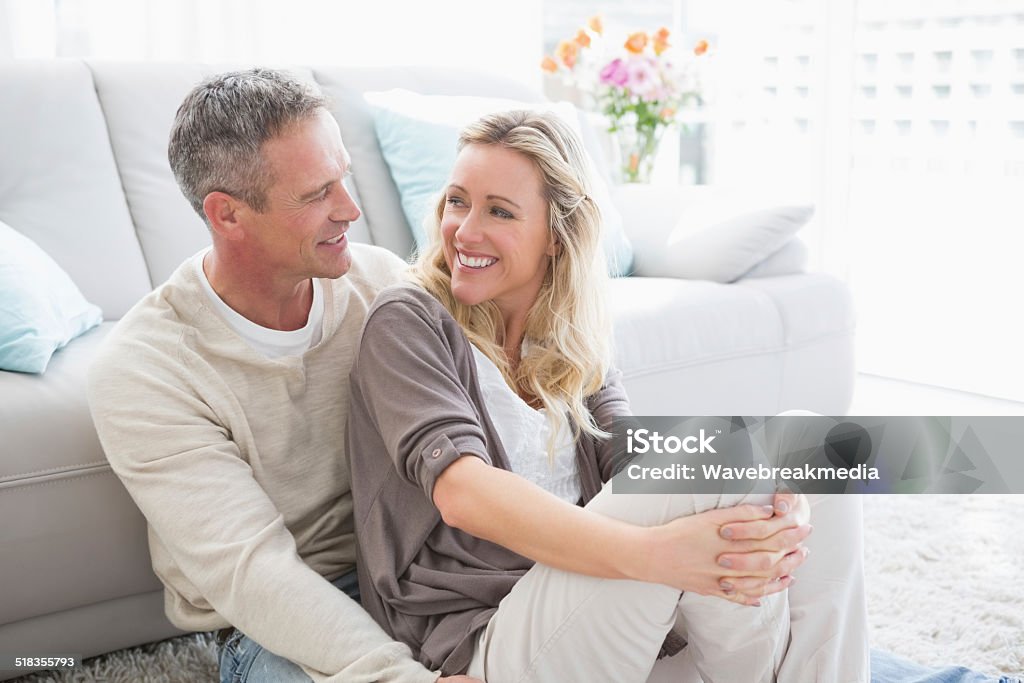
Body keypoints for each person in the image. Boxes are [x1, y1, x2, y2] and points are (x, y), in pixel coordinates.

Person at [346, 109, 872, 682]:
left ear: (557, 235)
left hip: (612, 629)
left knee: (813, 447)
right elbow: (463, 494)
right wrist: (661, 555)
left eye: (499, 210)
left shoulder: (574, 344)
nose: (465, 231)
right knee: (718, 461)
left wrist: (775, 514)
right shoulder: (409, 319)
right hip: (487, 644)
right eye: (456, 201)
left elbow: (637, 466)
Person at [87, 68, 477, 683]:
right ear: (228, 215)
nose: (350, 209)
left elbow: (531, 403)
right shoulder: (145, 369)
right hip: (276, 623)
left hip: (416, 572)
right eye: (317, 193)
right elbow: (255, 574)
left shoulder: (380, 287)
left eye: (343, 177)